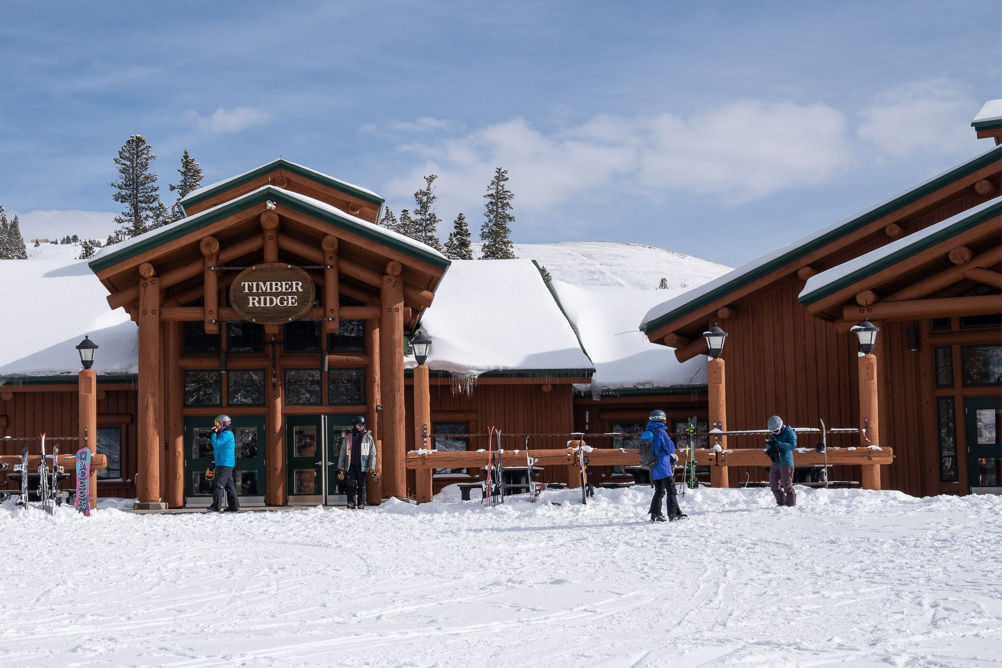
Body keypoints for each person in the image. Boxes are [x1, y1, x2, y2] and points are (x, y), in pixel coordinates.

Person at [646, 409, 687, 522]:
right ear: (663, 419)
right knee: (671, 490)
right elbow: (671, 448)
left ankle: (655, 514)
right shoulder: (660, 432)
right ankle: (673, 514)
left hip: (652, 466)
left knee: (659, 491)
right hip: (663, 466)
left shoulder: (648, 432)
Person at [338, 415, 377, 509]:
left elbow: (372, 453)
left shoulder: (368, 437)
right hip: (350, 465)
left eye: (363, 424)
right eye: (359, 425)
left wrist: (372, 468)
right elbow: (343, 451)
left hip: (362, 466)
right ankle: (351, 502)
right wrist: (341, 467)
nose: (361, 426)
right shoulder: (348, 436)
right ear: (355, 425)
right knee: (350, 484)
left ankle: (361, 503)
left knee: (362, 485)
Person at [208, 414, 239, 513]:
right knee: (229, 486)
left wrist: (213, 434)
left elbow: (216, 445)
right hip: (223, 463)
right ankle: (234, 506)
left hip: (225, 464)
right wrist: (215, 462)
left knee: (219, 485)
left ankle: (215, 507)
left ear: (223, 424)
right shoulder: (223, 434)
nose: (216, 426)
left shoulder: (227, 434)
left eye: (217, 424)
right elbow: (220, 449)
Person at [766, 415, 797, 507]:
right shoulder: (774, 435)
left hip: (786, 463)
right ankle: (781, 503)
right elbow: (770, 444)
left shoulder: (789, 432)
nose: (774, 433)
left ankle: (791, 504)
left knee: (787, 485)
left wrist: (779, 445)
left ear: (781, 426)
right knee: (773, 485)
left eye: (776, 431)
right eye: (772, 432)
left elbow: (792, 445)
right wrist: (770, 449)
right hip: (775, 462)